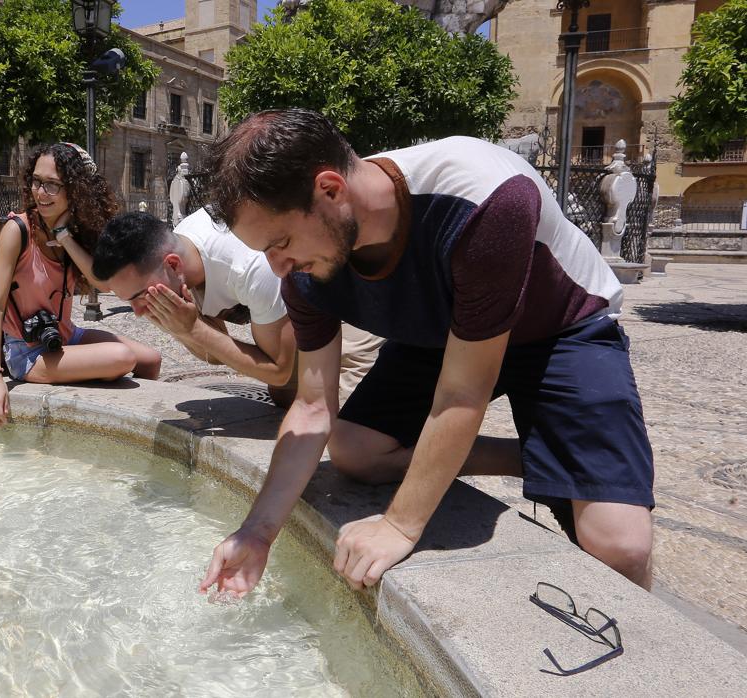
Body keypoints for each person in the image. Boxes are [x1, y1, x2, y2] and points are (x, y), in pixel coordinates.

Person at [197, 108, 655, 596]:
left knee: (619, 546)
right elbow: (312, 408)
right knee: (354, 450)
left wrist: (399, 526)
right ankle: (541, 458)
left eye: (281, 243)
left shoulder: (483, 197)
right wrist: (257, 531)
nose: (280, 268)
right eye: (264, 252)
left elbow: (463, 393)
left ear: (331, 190)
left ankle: (575, 473)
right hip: (442, 334)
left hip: (560, 328)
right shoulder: (306, 274)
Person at [91, 209, 383, 408]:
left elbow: (279, 369)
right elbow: (214, 354)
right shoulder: (180, 254)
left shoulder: (249, 265)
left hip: (351, 310)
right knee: (284, 398)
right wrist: (182, 326)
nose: (138, 312)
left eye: (138, 296)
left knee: (341, 433)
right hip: (301, 315)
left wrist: (191, 328)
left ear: (172, 265)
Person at [0, 143, 162, 426]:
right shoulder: (16, 231)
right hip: (28, 351)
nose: (41, 193)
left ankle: (136, 426)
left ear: (74, 190)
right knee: (122, 357)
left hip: (65, 335)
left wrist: (65, 236)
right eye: (37, 181)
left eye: (52, 185)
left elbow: (103, 285)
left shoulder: (74, 232)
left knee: (150, 359)